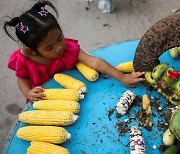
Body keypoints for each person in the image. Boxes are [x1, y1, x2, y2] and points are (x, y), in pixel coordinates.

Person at [4, 0, 144, 102]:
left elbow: (94, 62)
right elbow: (22, 79)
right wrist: (28, 93)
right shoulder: (24, 60)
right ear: (33, 51)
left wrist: (122, 77)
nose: (59, 47)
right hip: (44, 97)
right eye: (49, 47)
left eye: (60, 38)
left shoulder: (67, 49)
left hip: (73, 92)